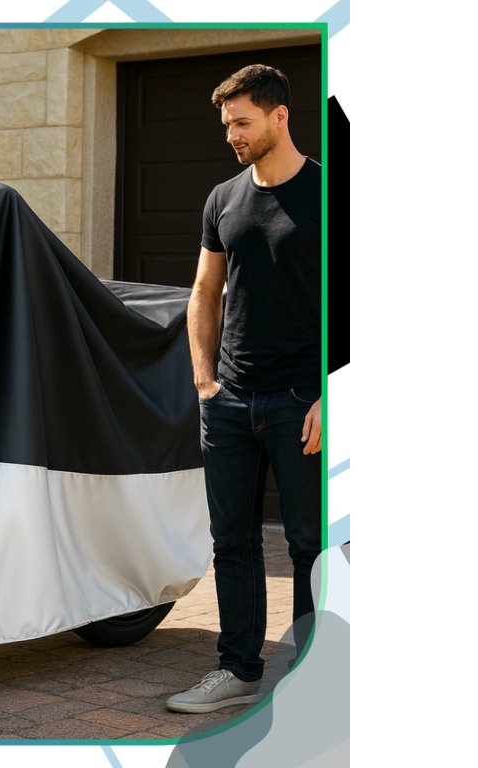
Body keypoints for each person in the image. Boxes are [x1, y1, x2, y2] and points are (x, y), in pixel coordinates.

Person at [165, 64, 322, 714]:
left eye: (242, 122)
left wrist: (335, 393)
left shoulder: (331, 194)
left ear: (279, 116)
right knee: (232, 541)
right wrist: (205, 380)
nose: (231, 134)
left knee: (311, 545)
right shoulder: (222, 199)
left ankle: (317, 672)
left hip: (302, 401)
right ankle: (238, 669)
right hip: (229, 401)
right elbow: (205, 290)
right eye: (227, 123)